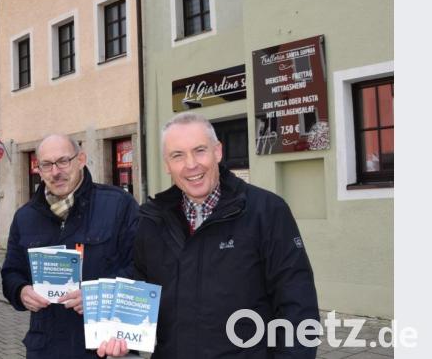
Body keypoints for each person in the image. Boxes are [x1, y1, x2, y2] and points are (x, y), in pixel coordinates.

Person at [98, 112, 319, 358]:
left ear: (218, 152)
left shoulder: (266, 211)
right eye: (177, 155)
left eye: (199, 150)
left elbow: (297, 305)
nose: (191, 164)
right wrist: (122, 338)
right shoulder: (151, 221)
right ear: (167, 165)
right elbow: (138, 298)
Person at [1, 133, 140, 358]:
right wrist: (21, 291)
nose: (56, 172)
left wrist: (98, 296)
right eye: (47, 165)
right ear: (39, 169)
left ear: (81, 160)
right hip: (46, 347)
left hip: (105, 347)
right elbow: (11, 273)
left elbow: (142, 267)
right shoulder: (25, 216)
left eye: (63, 161)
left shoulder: (118, 205)